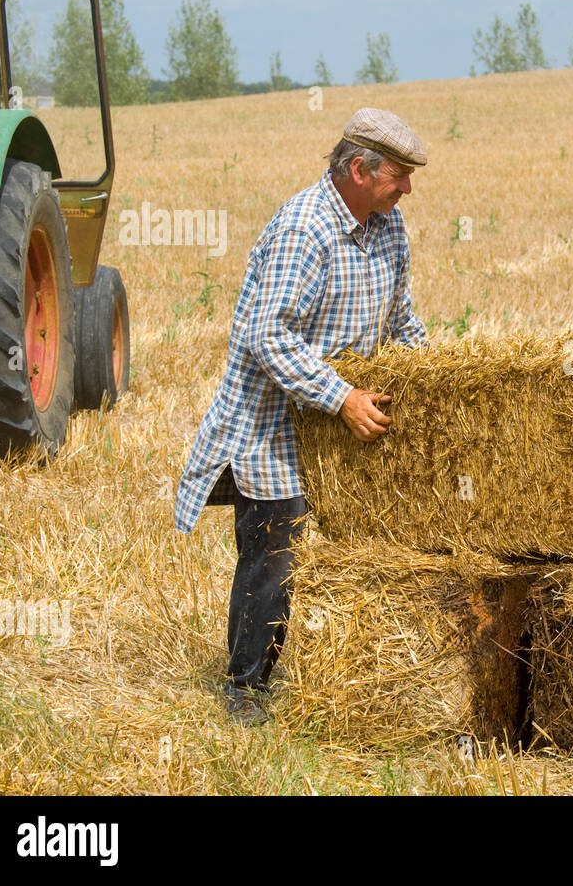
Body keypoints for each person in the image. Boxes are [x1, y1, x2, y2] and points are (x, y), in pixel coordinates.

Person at [173, 108, 429, 723]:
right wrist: (341, 396)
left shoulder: (387, 228)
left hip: (343, 424)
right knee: (275, 548)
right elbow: (268, 335)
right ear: (360, 169)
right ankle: (246, 690)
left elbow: (403, 322)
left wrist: (433, 383)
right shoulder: (304, 229)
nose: (408, 190)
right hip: (273, 424)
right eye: (399, 176)